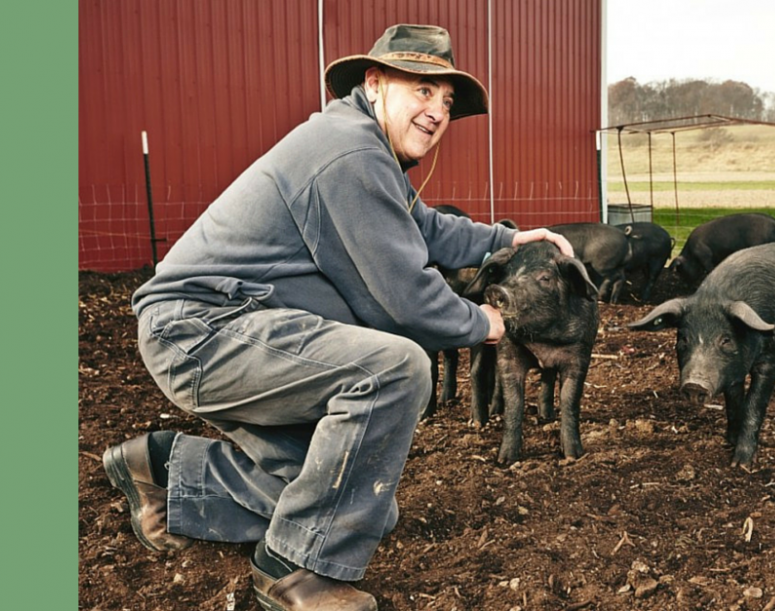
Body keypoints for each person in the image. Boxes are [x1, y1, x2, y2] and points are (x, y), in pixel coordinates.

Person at [101, 24, 572, 611]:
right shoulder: (351, 153)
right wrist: (488, 322)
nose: (437, 111)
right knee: (396, 368)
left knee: (347, 492)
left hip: (224, 328)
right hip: (202, 331)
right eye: (423, 90)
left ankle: (164, 473)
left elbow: (422, 227)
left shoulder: (361, 147)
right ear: (374, 83)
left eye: (447, 101)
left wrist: (505, 239)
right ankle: (295, 568)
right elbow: (404, 300)